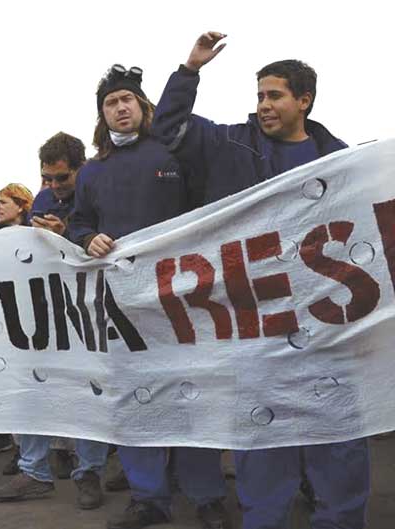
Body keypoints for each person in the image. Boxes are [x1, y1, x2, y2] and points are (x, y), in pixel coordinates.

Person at [151, 31, 369, 529]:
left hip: (325, 320)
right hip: (256, 320)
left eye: (275, 95)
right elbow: (167, 127)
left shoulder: (340, 159)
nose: (264, 106)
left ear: (304, 101)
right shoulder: (227, 143)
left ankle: (339, 518)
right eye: (260, 96)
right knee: (261, 430)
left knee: (335, 433)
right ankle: (263, 518)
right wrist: (190, 71)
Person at [67, 64, 229, 529]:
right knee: (135, 399)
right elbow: (79, 221)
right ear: (102, 114)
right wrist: (86, 237)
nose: (120, 108)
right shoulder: (91, 172)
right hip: (121, 305)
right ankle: (148, 498)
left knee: (189, 397)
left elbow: (213, 209)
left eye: (127, 100)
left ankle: (206, 495)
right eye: (111, 102)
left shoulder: (174, 152)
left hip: (183, 300)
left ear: (142, 107)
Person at [0, 132, 110, 510]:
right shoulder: (44, 199)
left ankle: (88, 471)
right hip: (43, 310)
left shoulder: (99, 190)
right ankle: (34, 471)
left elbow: (110, 246)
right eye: (48, 178)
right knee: (30, 389)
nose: (55, 187)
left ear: (82, 168)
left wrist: (72, 237)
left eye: (63, 178)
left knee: (88, 392)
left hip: (89, 311)